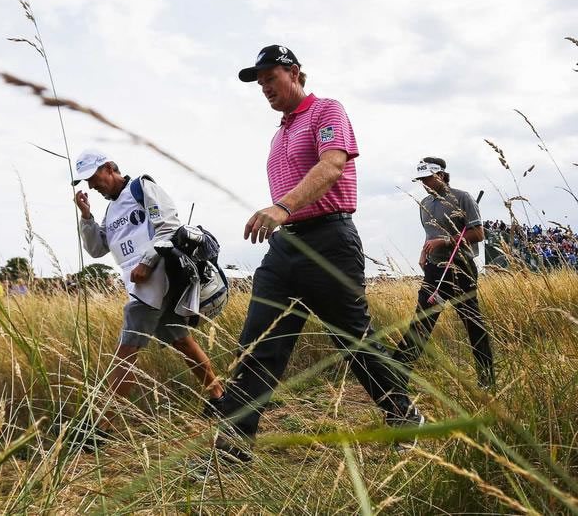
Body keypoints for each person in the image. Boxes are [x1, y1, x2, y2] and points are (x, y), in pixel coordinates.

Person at [214, 45, 422, 462]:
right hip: (285, 246)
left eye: (270, 78)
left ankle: (402, 414)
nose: (264, 88)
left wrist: (281, 207)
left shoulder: (326, 111)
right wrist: (283, 217)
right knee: (259, 343)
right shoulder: (279, 133)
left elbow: (331, 167)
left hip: (329, 241)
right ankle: (234, 446)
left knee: (353, 340)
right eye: (260, 83)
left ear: (294, 72)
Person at [72, 149, 223, 449]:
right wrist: (87, 216)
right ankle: (220, 397)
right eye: (86, 181)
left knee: (127, 349)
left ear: (109, 167)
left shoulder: (141, 187)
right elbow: (97, 249)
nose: (92, 185)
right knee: (179, 339)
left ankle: (100, 427)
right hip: (139, 285)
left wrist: (147, 260)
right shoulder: (110, 212)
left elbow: (169, 225)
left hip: (157, 277)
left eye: (94, 177)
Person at [393, 157, 494, 389]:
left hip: (461, 269)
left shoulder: (462, 197)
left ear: (440, 175)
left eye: (428, 178)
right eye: (421, 180)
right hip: (434, 270)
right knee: (422, 322)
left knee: (472, 324)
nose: (424, 183)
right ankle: (396, 376)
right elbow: (430, 234)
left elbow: (478, 234)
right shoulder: (424, 203)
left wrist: (446, 241)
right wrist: (424, 252)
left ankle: (486, 379)